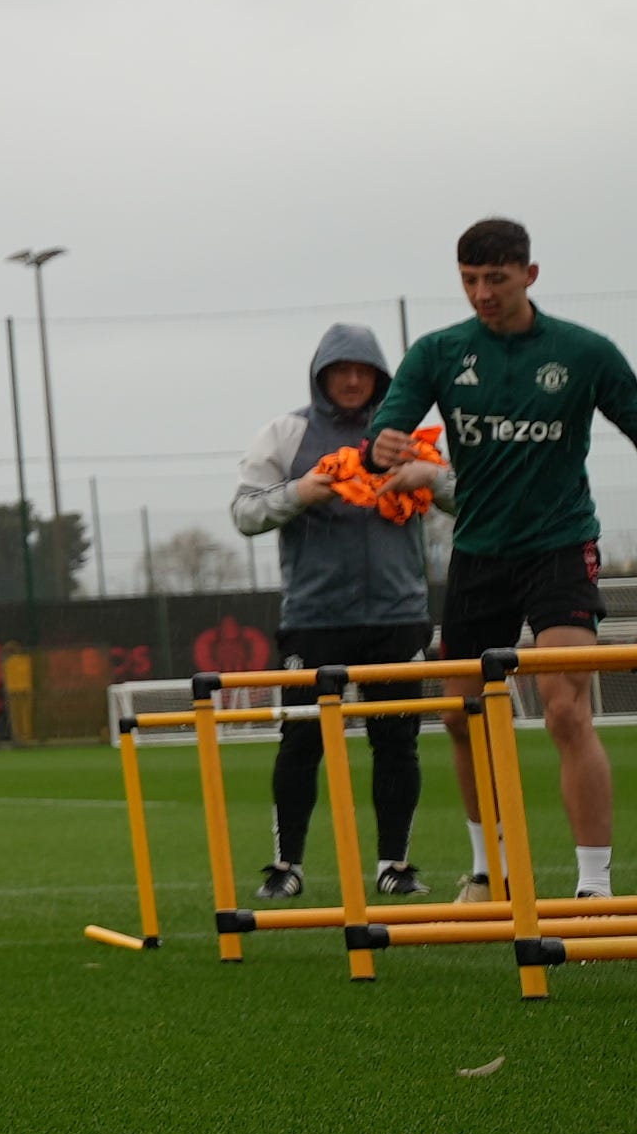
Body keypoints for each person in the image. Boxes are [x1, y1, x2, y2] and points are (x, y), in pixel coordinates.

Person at [370, 219, 637, 904]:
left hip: (560, 548)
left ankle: (594, 889)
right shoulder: (439, 351)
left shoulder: (584, 353)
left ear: (529, 275)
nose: (482, 293)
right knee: (462, 715)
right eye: (469, 280)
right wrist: (384, 446)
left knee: (565, 709)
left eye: (496, 278)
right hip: (478, 553)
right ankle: (491, 873)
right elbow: (384, 430)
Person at [229, 323, 442, 901]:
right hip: (315, 619)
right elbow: (244, 514)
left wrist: (429, 476)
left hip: (398, 617)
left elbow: (463, 498)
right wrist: (301, 491)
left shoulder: (406, 435)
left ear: (380, 376)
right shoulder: (286, 433)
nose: (351, 380)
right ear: (320, 376)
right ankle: (286, 867)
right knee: (301, 742)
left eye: (362, 370)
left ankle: (394, 866)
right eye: (340, 370)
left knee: (396, 744)